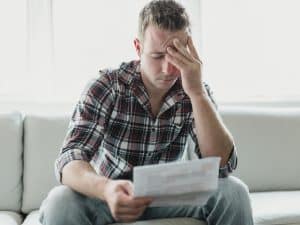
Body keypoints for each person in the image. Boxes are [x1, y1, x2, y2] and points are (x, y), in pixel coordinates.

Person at [39, 0, 253, 225]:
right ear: (138, 48)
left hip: (166, 195)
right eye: (158, 56)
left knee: (234, 192)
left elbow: (222, 165)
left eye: (176, 55)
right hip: (109, 194)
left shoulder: (193, 88)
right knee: (59, 200)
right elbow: (70, 158)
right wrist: (107, 189)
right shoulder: (108, 86)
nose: (169, 69)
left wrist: (197, 93)